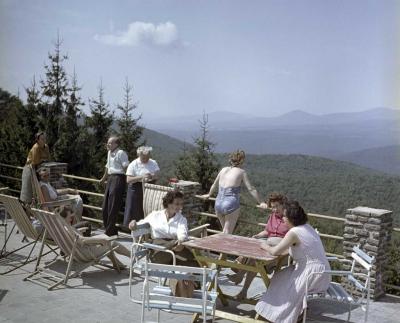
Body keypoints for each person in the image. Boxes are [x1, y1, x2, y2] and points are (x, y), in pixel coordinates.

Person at [255, 201, 331, 323]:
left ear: (291, 218)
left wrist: (264, 246)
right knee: (279, 276)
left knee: (282, 283)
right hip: (322, 272)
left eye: (285, 216)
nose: (282, 218)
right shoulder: (307, 227)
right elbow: (299, 249)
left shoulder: (294, 232)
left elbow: (274, 251)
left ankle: (281, 315)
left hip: (311, 275)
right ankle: (283, 312)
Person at [228, 193, 290, 300]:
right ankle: (243, 290)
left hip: (282, 253)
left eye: (276, 206)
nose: (274, 209)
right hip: (268, 246)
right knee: (254, 256)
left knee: (255, 258)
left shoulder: (289, 218)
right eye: (272, 207)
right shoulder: (272, 216)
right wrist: (257, 235)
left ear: (283, 205)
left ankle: (240, 274)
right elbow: (267, 231)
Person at [201, 150, 262, 234]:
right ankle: (220, 247)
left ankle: (220, 246)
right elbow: (251, 189)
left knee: (224, 231)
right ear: (241, 160)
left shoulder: (223, 169)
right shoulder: (241, 172)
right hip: (230, 203)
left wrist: (209, 194)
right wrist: (261, 202)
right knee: (227, 234)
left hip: (218, 203)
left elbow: (214, 185)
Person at [128, 190, 196, 266]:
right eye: (177, 204)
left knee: (192, 261)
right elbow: (140, 224)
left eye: (181, 204)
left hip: (172, 252)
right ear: (168, 203)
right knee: (178, 246)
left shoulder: (181, 219)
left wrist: (181, 240)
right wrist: (133, 224)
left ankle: (197, 266)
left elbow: (182, 232)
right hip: (157, 250)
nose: (180, 207)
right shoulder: (155, 215)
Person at [54, 205, 130, 268]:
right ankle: (132, 255)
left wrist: (78, 231)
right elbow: (82, 240)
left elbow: (76, 238)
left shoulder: (62, 227)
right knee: (111, 242)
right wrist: (100, 240)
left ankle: (117, 264)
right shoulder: (67, 229)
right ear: (64, 218)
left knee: (106, 238)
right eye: (70, 217)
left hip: (77, 252)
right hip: (84, 253)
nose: (71, 219)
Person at [99, 136, 129, 236]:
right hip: (111, 179)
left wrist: (127, 180)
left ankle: (109, 232)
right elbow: (108, 167)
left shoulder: (121, 153)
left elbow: (126, 167)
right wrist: (103, 179)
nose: (108, 144)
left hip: (119, 178)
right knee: (105, 207)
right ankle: (111, 229)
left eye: (110, 143)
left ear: (116, 144)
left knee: (113, 206)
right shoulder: (109, 152)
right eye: (108, 143)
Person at [123, 146, 160, 226]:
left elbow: (157, 175)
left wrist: (152, 176)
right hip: (136, 189)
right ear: (139, 156)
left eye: (147, 157)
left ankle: (147, 230)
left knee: (148, 209)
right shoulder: (133, 164)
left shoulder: (153, 162)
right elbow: (128, 180)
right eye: (143, 158)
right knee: (135, 211)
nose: (146, 159)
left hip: (150, 189)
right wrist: (141, 177)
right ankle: (134, 230)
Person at [20, 132, 51, 204]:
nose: (44, 140)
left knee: (39, 195)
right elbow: (34, 162)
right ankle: (26, 213)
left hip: (40, 170)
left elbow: (48, 158)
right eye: (42, 139)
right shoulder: (35, 147)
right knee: (28, 195)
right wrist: (43, 160)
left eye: (44, 138)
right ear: (37, 140)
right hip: (30, 170)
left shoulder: (46, 147)